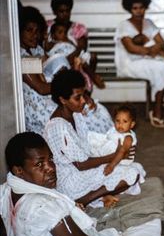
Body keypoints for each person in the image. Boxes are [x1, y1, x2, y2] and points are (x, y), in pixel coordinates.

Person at [0, 132, 127, 236]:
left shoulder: (6, 189)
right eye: (39, 164)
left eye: (50, 159)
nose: (50, 168)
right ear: (18, 171)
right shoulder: (45, 204)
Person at [44, 69, 146, 208]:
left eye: (84, 95)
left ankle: (95, 196)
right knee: (132, 173)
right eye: (77, 97)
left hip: (82, 171)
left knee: (135, 170)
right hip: (70, 180)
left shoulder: (75, 114)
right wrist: (115, 156)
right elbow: (81, 165)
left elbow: (86, 143)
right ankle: (85, 200)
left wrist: (111, 149)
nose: (83, 101)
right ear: (63, 100)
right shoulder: (57, 127)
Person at [115, 0, 164, 128]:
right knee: (162, 70)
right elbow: (131, 49)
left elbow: (162, 43)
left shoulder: (148, 23)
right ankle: (156, 112)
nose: (139, 11)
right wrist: (158, 51)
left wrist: (155, 49)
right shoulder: (123, 25)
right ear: (129, 9)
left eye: (141, 7)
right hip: (130, 63)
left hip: (149, 60)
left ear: (145, 7)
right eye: (135, 8)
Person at [18, 6, 70, 136]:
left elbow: (51, 66)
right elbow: (41, 88)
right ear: (18, 31)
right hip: (38, 105)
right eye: (29, 30)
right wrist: (68, 86)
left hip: (48, 96)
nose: (34, 35)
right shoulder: (23, 56)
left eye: (37, 31)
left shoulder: (36, 50)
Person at [46, 0, 104, 89]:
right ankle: (92, 77)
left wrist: (67, 60)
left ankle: (91, 77)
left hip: (74, 60)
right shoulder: (48, 26)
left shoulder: (78, 28)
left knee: (88, 57)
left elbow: (81, 48)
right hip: (56, 63)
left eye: (67, 11)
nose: (65, 14)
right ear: (54, 11)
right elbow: (44, 47)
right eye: (61, 11)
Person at [88, 103, 139, 175]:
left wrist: (111, 166)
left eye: (125, 121)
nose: (120, 124)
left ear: (132, 124)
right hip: (109, 152)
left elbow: (122, 152)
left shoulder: (128, 137)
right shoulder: (114, 130)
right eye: (117, 121)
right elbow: (107, 137)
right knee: (91, 137)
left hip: (119, 161)